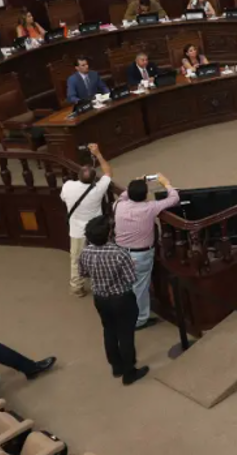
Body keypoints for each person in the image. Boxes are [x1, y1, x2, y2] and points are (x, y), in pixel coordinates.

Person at [79, 216, 148, 385]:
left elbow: (83, 273)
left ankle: (116, 367)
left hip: (100, 298)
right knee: (125, 334)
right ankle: (129, 372)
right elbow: (131, 279)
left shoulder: (85, 252)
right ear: (109, 233)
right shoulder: (120, 253)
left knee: (109, 330)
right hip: (122, 298)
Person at [114, 174, 180, 329]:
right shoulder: (150, 207)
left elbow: (123, 195)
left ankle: (124, 313)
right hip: (140, 255)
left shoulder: (118, 205)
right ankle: (139, 320)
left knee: (125, 285)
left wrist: (136, 184)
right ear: (145, 195)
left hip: (120, 253)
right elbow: (174, 198)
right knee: (140, 288)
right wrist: (166, 183)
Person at [59, 143, 112, 297]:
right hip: (96, 229)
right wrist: (98, 154)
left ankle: (76, 286)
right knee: (100, 258)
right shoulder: (98, 188)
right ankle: (101, 286)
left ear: (78, 176)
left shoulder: (68, 186)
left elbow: (63, 198)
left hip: (76, 231)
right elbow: (108, 172)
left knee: (76, 259)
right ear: (95, 179)